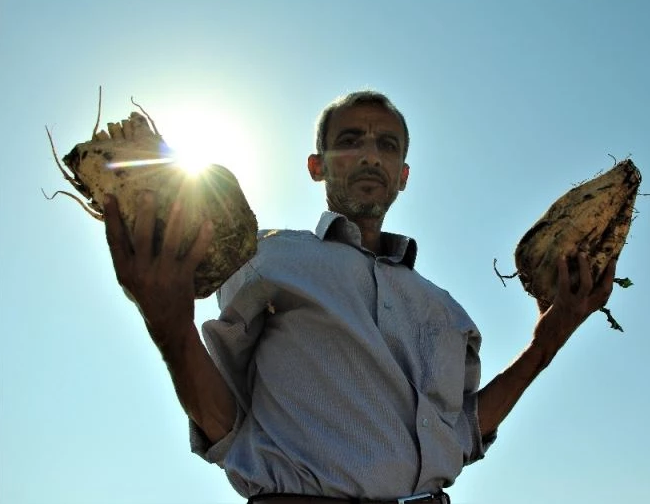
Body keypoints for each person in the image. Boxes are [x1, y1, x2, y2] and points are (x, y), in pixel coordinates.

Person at [103, 91, 615, 504]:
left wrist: (550, 339)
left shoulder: (444, 310)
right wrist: (168, 324)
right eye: (351, 140)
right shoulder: (269, 260)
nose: (371, 153)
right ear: (317, 166)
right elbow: (225, 425)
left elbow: (464, 433)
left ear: (404, 176)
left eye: (388, 146)